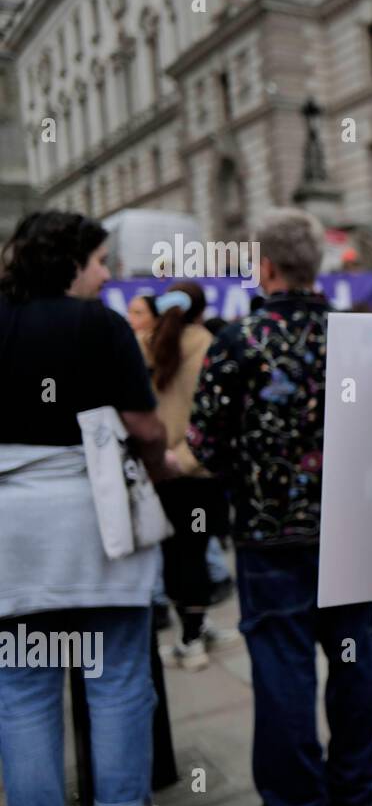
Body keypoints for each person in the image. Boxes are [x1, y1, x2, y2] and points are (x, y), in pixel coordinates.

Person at [189, 208, 372, 806]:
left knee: (283, 671)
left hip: (268, 535)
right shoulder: (358, 335)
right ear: (316, 266)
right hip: (350, 532)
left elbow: (204, 444)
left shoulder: (237, 342)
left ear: (265, 267)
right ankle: (354, 791)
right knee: (354, 662)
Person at [0, 210, 172, 806]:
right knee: (118, 676)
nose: (107, 274)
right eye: (100, 261)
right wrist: (160, 464)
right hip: (97, 522)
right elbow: (145, 427)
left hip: (10, 533)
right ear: (69, 262)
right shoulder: (100, 326)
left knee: (22, 690)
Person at [138, 282, 237, 667]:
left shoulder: (145, 343)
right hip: (198, 469)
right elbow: (217, 410)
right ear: (201, 308)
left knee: (176, 553)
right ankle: (191, 637)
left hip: (162, 469)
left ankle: (194, 629)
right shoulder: (209, 343)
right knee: (194, 553)